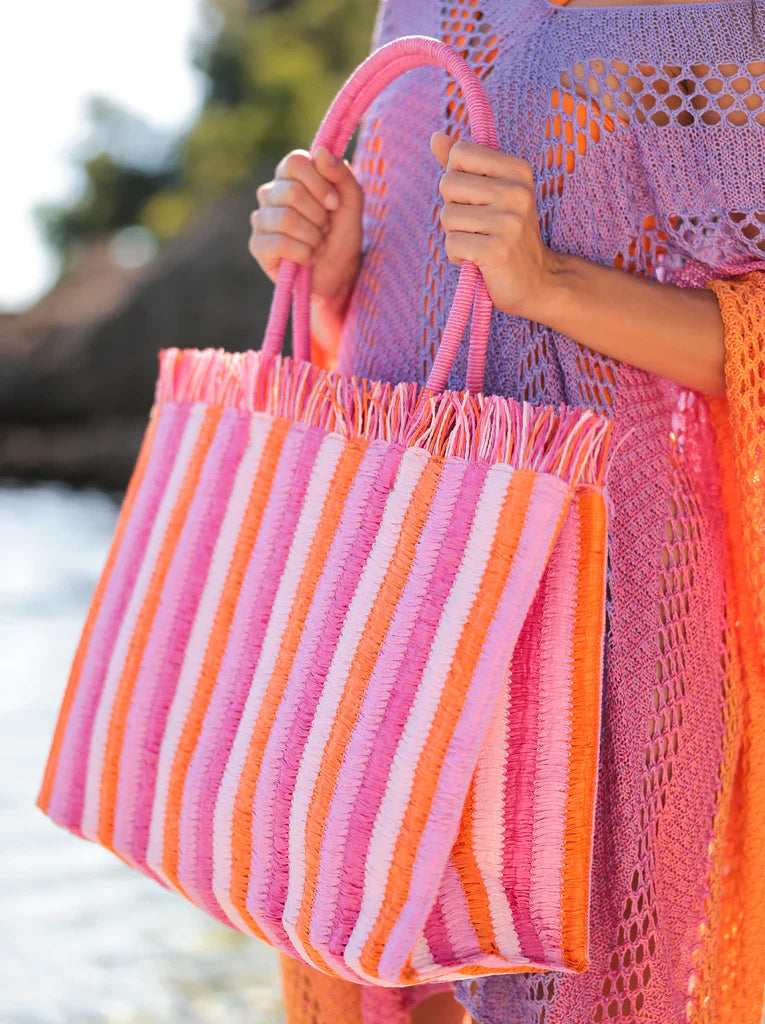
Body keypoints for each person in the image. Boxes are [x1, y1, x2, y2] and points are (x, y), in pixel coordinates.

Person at [249, 0, 765, 1022]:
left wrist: (551, 282)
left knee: (592, 984)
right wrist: (334, 267)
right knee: (395, 963)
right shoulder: (417, 11)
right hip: (400, 591)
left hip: (608, 608)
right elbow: (407, 323)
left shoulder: (709, 19)